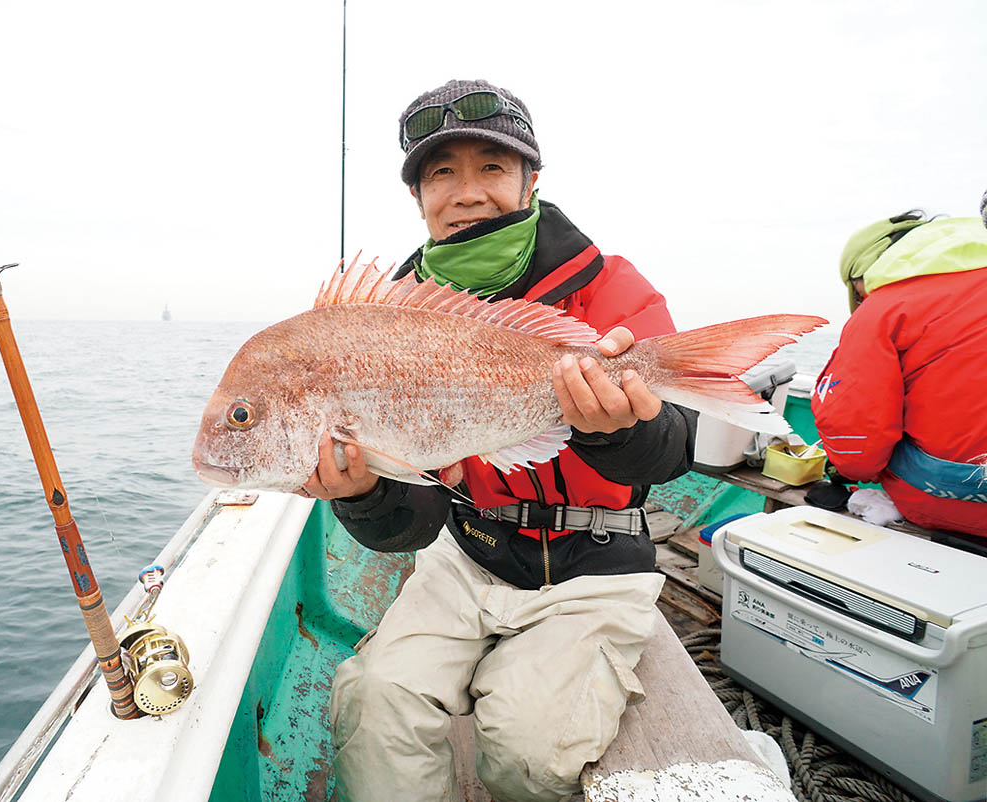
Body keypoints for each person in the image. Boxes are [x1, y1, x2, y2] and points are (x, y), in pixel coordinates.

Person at [297, 79, 697, 802]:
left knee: (529, 752)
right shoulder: (386, 314)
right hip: (468, 555)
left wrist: (615, 428)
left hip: (596, 566)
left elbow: (673, 451)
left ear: (531, 179)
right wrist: (361, 494)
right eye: (441, 173)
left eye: (491, 167)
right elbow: (414, 525)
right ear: (419, 197)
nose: (466, 190)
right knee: (372, 701)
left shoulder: (608, 285)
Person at [812, 210, 987, 537]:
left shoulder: (886, 309)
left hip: (952, 504)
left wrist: (843, 468)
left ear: (869, 267)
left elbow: (856, 448)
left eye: (855, 285)